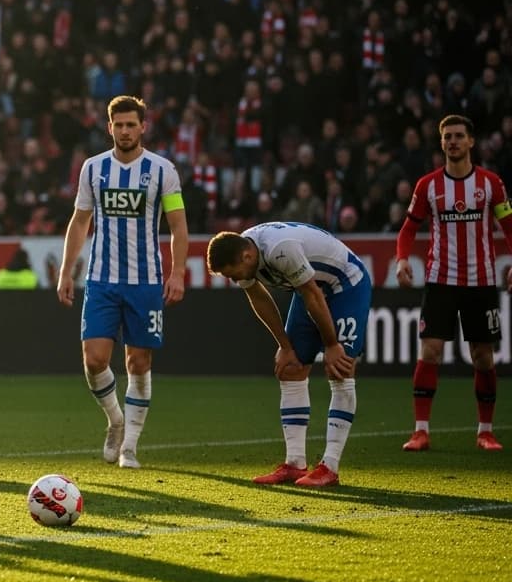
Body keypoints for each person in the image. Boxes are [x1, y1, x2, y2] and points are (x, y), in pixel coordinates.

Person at [56, 95, 188, 469]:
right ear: (109, 126)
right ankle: (115, 420)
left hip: (145, 282)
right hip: (101, 279)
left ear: (143, 127)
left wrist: (177, 272)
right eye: (120, 124)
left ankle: (129, 446)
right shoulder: (93, 168)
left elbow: (178, 226)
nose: (126, 130)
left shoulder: (163, 170)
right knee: (94, 359)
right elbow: (80, 221)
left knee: (138, 363)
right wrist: (67, 270)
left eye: (133, 124)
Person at [206, 223, 370, 488]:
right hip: (309, 288)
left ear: (247, 257)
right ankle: (295, 464)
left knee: (340, 368)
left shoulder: (280, 248)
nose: (234, 279)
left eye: (233, 274)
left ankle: (330, 466)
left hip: (345, 285)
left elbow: (314, 295)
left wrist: (331, 345)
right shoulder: (244, 249)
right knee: (290, 368)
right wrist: (285, 346)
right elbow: (258, 297)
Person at [395, 115, 512, 452]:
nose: (453, 142)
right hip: (440, 280)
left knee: (483, 358)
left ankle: (485, 431)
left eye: (459, 136)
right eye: (447, 137)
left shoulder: (492, 184)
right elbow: (407, 229)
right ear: (442, 142)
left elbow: (509, 226)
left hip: (481, 282)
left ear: (471, 142)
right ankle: (420, 431)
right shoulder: (427, 186)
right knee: (430, 350)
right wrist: (402, 258)